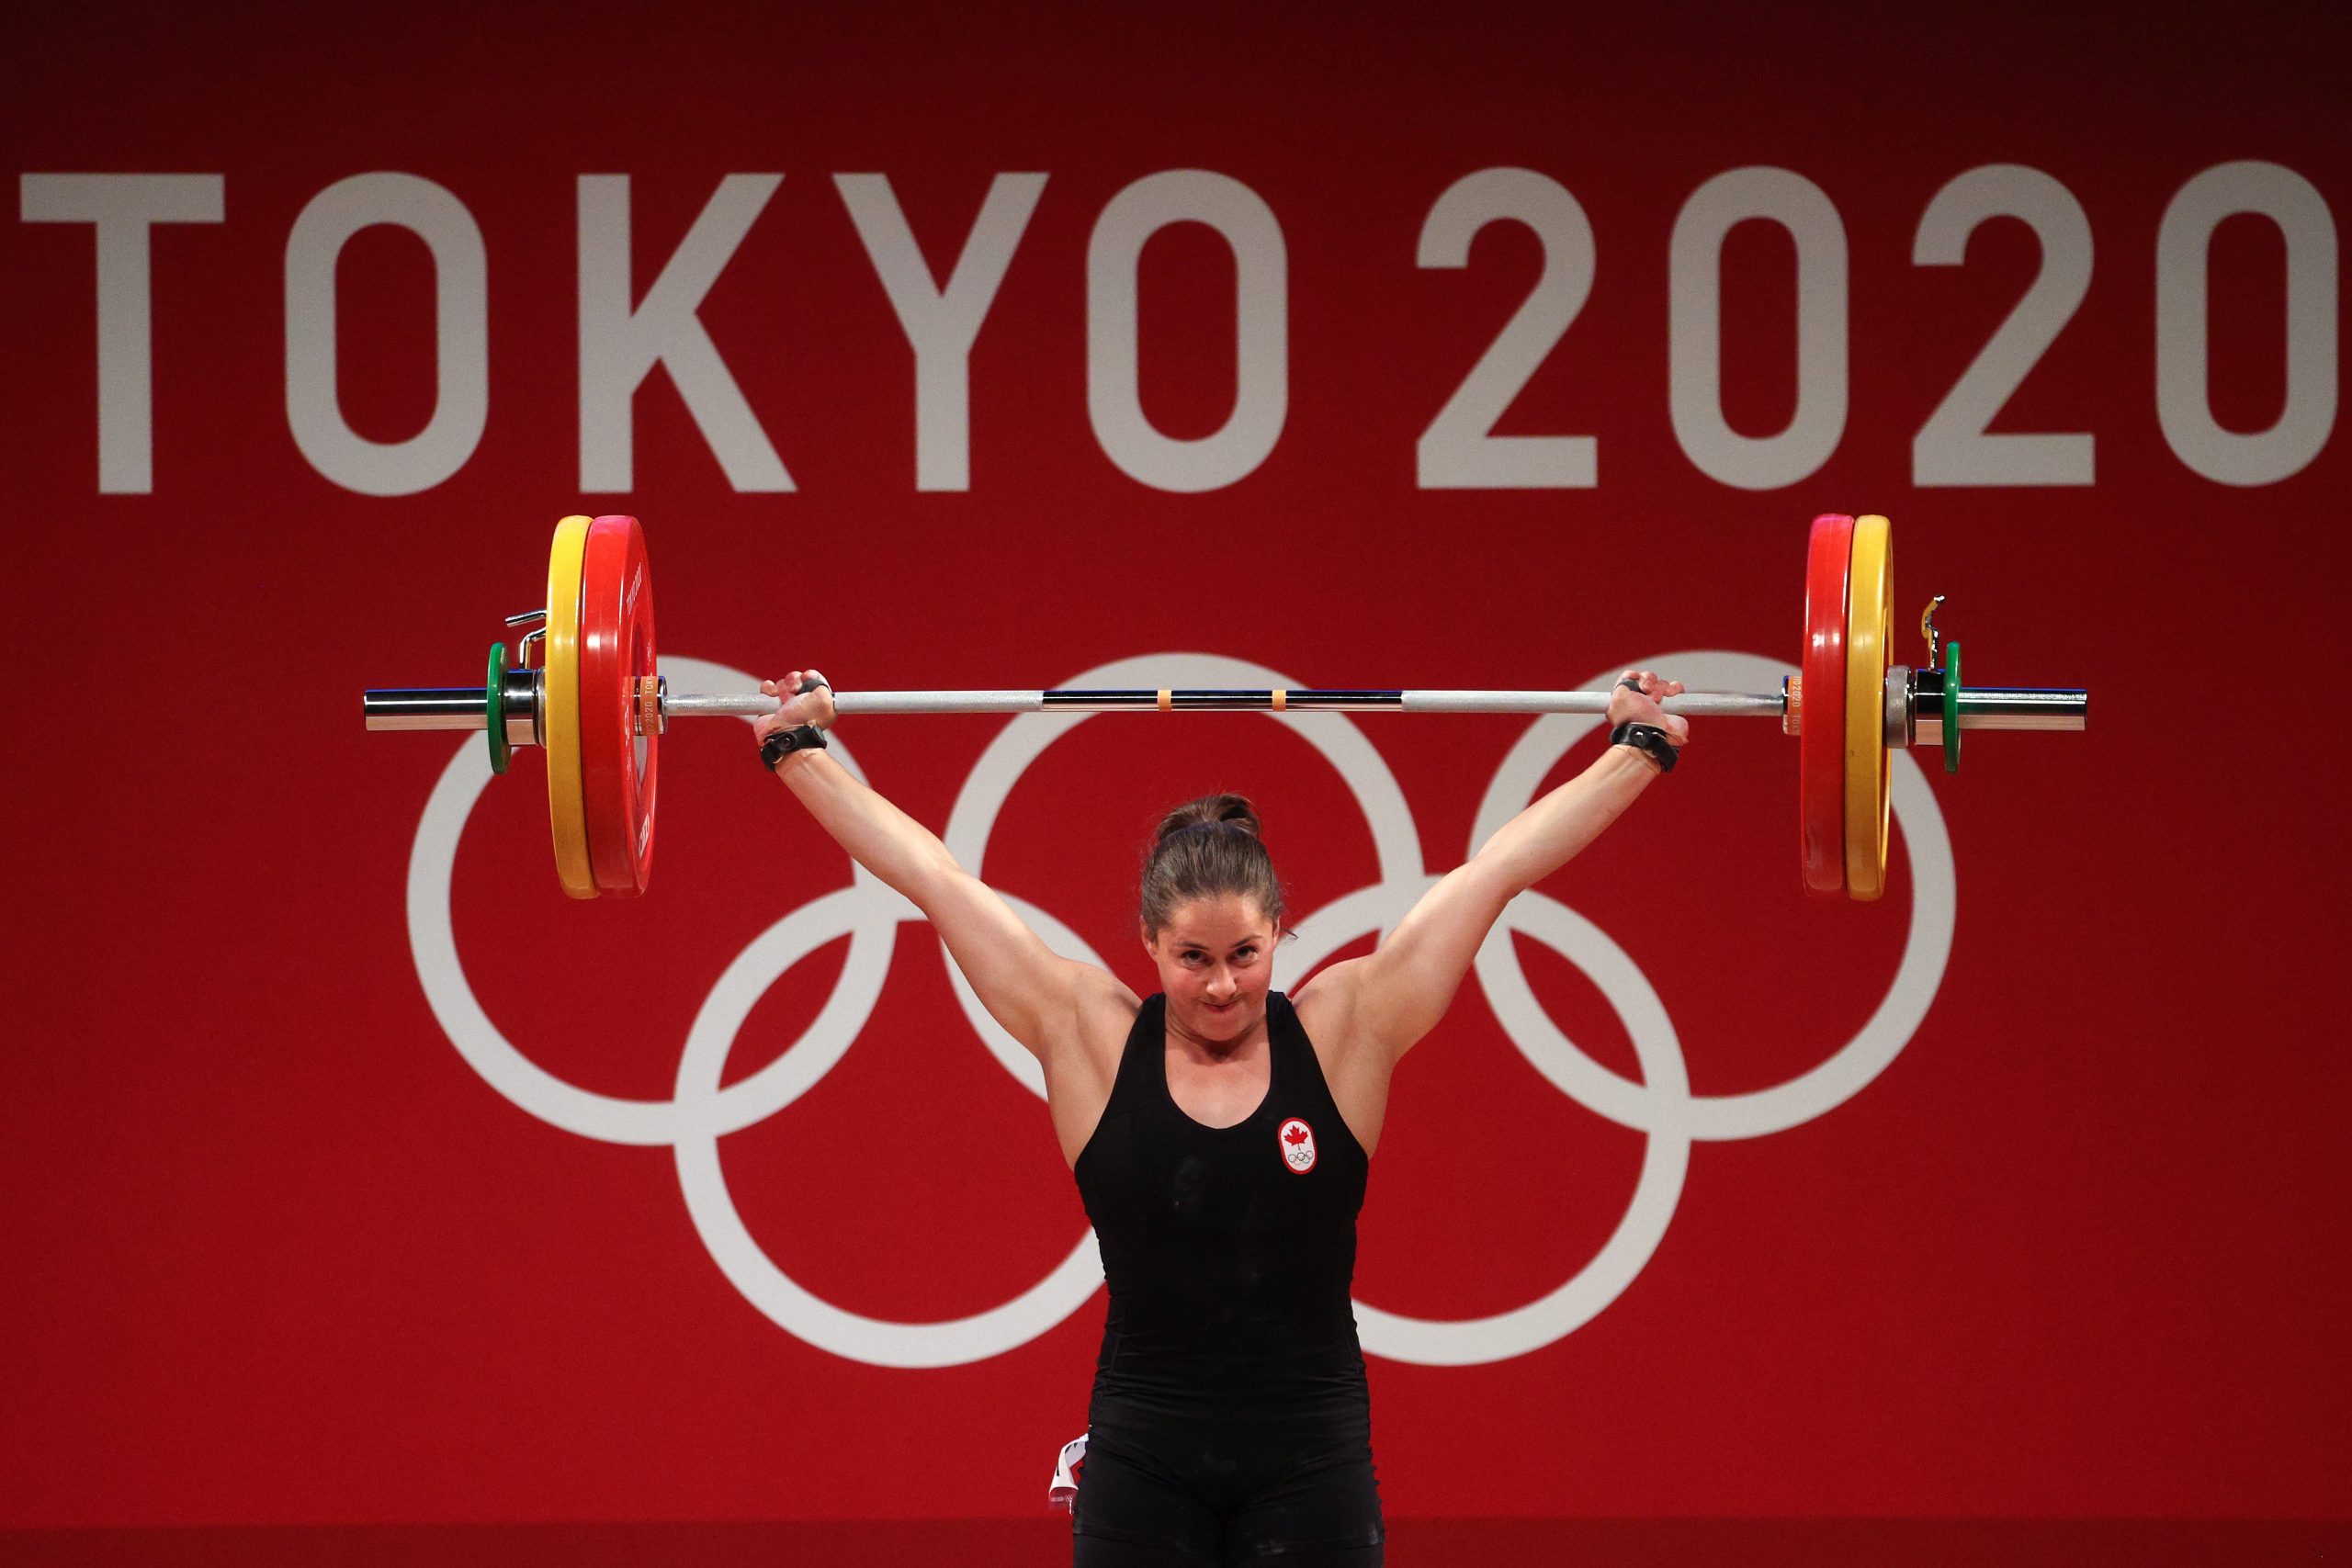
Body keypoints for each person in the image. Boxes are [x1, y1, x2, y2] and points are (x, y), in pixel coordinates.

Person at [753, 669, 1690, 1566]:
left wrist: (1637, 748)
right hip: (1143, 1462)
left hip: (1313, 1460)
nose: (1220, 985)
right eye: (1192, 957)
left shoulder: (1347, 1028)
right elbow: (935, 880)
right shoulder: (1087, 1033)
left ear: (1280, 929)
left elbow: (1495, 872)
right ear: (1149, 942)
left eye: (1244, 952)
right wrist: (799, 752)